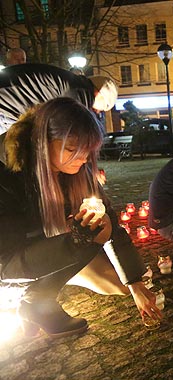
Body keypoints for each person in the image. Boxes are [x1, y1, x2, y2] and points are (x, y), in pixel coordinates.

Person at [0, 98, 160, 337]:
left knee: (119, 280)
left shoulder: (78, 172)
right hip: (11, 264)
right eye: (72, 149)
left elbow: (112, 228)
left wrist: (135, 281)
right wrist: (76, 240)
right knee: (89, 238)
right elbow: (7, 261)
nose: (83, 158)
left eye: (88, 150)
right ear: (42, 143)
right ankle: (36, 301)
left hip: (53, 248)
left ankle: (38, 294)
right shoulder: (8, 178)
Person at [0, 63, 117, 135]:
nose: (97, 111)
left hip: (8, 102)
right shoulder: (79, 96)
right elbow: (63, 133)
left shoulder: (72, 83)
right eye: (103, 108)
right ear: (100, 95)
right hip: (6, 106)